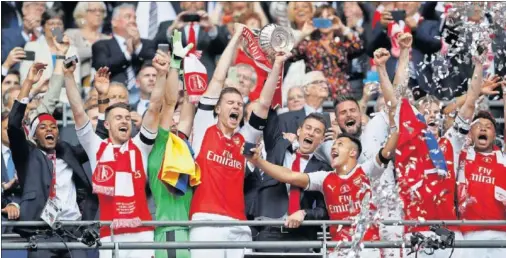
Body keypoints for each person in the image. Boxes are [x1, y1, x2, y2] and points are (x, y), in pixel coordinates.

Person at [246, 105, 399, 257]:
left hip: (363, 247)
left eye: (339, 144)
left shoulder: (364, 170)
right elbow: (290, 176)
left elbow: (386, 152)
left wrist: (397, 123)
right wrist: (259, 161)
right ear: (299, 131)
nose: (334, 148)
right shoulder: (324, 177)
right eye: (334, 144)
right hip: (333, 249)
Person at [68, 46, 172, 257]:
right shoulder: (96, 147)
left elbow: (153, 107)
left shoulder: (140, 146)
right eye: (118, 118)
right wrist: (69, 75)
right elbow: (78, 111)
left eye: (127, 117)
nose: (125, 121)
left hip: (142, 233)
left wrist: (161, 75)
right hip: (109, 233)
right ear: (106, 125)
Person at [188, 23, 268, 258]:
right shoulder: (204, 127)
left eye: (239, 104)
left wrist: (278, 64)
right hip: (205, 221)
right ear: (217, 108)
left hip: (239, 223)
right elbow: (218, 78)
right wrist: (235, 38)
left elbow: (263, 103)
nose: (236, 106)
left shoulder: (244, 138)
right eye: (230, 102)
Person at [8, 60, 96, 258]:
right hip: (41, 233)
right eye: (43, 127)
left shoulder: (67, 151)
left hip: (74, 233)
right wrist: (28, 83)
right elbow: (14, 126)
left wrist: (102, 99)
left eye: (53, 127)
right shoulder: (27, 155)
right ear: (33, 135)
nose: (49, 130)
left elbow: (93, 142)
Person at [147, 30, 196, 258]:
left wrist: (188, 65)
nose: (176, 119)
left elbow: (188, 103)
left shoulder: (183, 146)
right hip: (169, 232)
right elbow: (169, 104)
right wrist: (174, 65)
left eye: (179, 118)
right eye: (172, 119)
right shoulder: (161, 143)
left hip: (193, 233)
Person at [457, 111, 506, 258]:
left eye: (488, 126)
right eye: (478, 126)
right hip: (470, 234)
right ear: (470, 133)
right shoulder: (461, 156)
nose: (483, 129)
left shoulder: (503, 158)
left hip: (501, 234)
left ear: (495, 135)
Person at [91, 3, 156, 103]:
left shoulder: (147, 44)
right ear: (114, 22)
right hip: (113, 97)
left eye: (134, 17)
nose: (132, 21)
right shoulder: (102, 45)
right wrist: (127, 53)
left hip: (144, 97)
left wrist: (138, 46)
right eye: (128, 17)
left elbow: (155, 62)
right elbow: (102, 67)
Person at [155, 1, 229, 80]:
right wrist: (172, 29)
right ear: (181, 3)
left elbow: (223, 49)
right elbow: (157, 47)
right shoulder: (167, 25)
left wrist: (211, 28)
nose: (193, 2)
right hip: (177, 78)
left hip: (206, 78)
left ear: (203, 3)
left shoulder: (213, 27)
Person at [20, 8, 81, 90]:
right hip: (38, 95)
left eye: (59, 24)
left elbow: (76, 81)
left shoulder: (72, 51)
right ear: (43, 26)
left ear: (63, 27)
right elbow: (24, 77)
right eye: (51, 23)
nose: (55, 27)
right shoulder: (30, 47)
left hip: (65, 97)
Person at [65, 2, 109, 86]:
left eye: (101, 11)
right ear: (82, 13)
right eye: (93, 10)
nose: (98, 13)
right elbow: (68, 61)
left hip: (102, 85)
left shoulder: (107, 39)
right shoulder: (70, 34)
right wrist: (96, 50)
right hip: (75, 83)